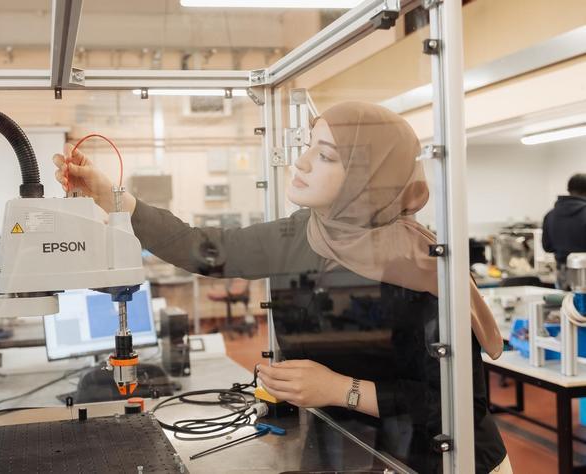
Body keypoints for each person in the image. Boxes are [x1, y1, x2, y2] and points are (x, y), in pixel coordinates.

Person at [53, 101, 509, 473]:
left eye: (327, 156)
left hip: (444, 461)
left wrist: (338, 389)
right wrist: (108, 194)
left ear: (368, 179)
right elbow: (200, 247)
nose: (302, 161)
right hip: (361, 450)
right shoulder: (303, 232)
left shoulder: (416, 268)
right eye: (309, 146)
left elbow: (454, 405)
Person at [542, 173, 586, 290]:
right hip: (584, 272)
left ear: (568, 190)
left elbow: (547, 247)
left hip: (563, 275)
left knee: (566, 307)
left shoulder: (550, 215)